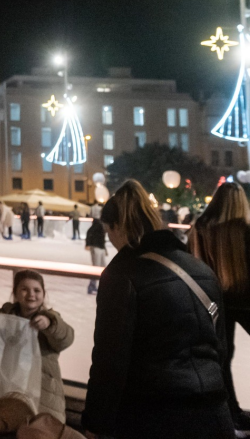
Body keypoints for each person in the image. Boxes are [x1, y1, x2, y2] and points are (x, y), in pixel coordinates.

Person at [81, 180, 234, 439]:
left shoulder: (122, 276)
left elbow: (110, 360)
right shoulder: (200, 270)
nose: (110, 241)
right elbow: (219, 347)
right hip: (214, 415)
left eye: (108, 232)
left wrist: (95, 422)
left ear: (116, 227)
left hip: (155, 417)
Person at [0, 270, 74, 422]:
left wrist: (50, 325)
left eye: (36, 290)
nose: (31, 294)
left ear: (43, 294)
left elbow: (66, 338)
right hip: (10, 386)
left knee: (41, 430)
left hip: (43, 390)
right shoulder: (5, 316)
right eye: (24, 289)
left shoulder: (50, 318)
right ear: (15, 294)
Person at [188, 181, 250, 434]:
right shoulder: (244, 230)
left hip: (211, 300)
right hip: (245, 300)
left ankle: (230, 413)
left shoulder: (200, 228)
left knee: (222, 358)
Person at [85, 217, 108, 295]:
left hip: (100, 248)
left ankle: (101, 286)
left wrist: (105, 249)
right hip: (96, 248)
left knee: (102, 267)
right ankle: (92, 286)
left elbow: (102, 239)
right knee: (96, 267)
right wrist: (88, 244)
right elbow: (89, 232)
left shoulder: (101, 225)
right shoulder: (98, 224)